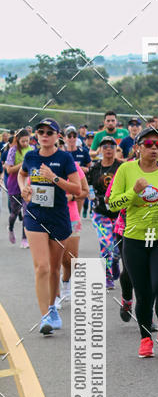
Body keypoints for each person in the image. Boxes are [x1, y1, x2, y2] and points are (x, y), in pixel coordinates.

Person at [107, 126, 158, 357]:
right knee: (144, 292)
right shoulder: (126, 170)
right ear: (137, 147)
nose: (153, 148)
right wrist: (133, 193)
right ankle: (146, 338)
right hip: (134, 240)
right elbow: (112, 204)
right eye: (148, 144)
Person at [18, 118, 81, 334]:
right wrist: (23, 188)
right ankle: (45, 316)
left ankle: (53, 308)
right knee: (42, 266)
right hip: (35, 215)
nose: (44, 135)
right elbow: (22, 174)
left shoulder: (64, 158)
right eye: (41, 131)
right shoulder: (30, 156)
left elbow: (78, 189)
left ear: (57, 136)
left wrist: (54, 178)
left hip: (59, 217)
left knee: (54, 268)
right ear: (36, 135)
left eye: (49, 132)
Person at [88, 137, 121, 288]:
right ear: (100, 149)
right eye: (105, 146)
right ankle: (107, 276)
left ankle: (115, 261)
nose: (108, 149)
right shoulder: (95, 168)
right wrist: (90, 195)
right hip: (100, 213)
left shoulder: (122, 167)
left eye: (111, 146)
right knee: (106, 243)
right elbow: (87, 185)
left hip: (120, 213)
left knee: (118, 248)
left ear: (116, 149)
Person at [55, 160, 88, 307]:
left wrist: (71, 197)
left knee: (71, 259)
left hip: (71, 217)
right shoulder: (40, 164)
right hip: (50, 218)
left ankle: (66, 282)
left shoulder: (71, 165)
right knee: (54, 258)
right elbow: (29, 185)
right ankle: (55, 296)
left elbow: (85, 191)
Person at [5, 129, 32, 247]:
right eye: (23, 141)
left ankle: (24, 239)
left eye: (27, 141)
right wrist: (23, 164)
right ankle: (10, 227)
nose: (25, 143)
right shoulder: (13, 150)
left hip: (27, 184)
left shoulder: (31, 150)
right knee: (15, 212)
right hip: (14, 184)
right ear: (18, 140)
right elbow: (9, 169)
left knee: (26, 213)